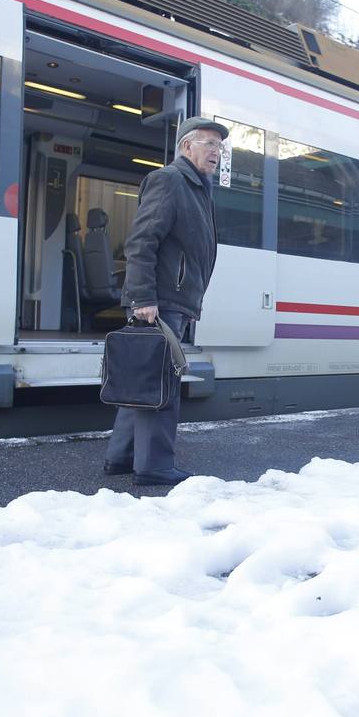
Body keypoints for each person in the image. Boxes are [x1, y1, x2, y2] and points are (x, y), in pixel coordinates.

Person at [103, 116, 227, 486]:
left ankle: (121, 458)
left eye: (219, 146)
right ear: (187, 146)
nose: (216, 152)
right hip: (160, 301)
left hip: (173, 300)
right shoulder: (170, 180)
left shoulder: (198, 188)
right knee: (162, 384)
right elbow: (142, 240)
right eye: (208, 143)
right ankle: (154, 465)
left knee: (144, 380)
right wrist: (143, 296)